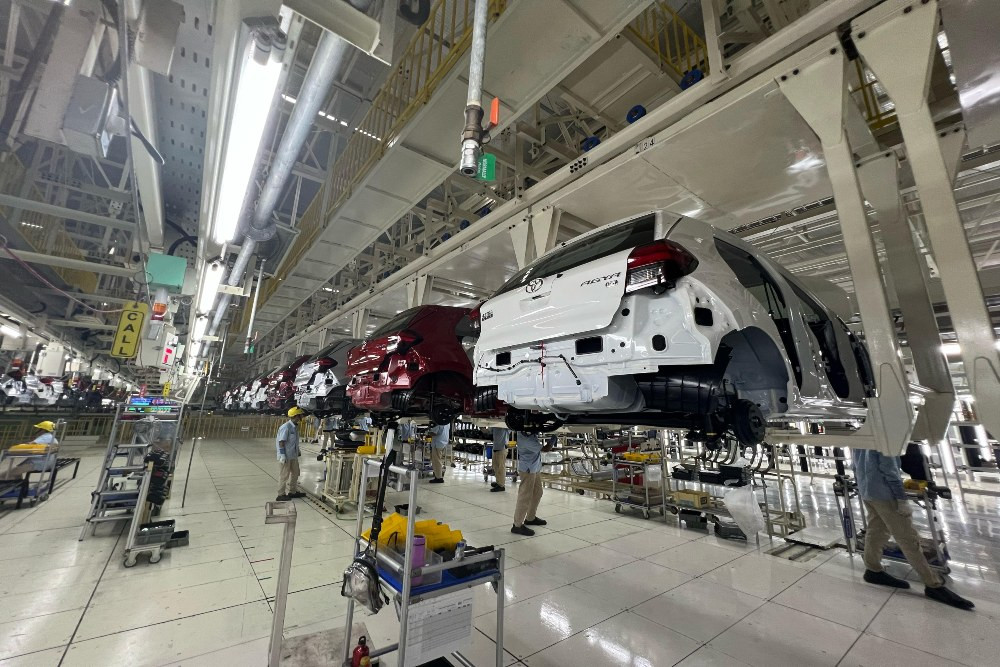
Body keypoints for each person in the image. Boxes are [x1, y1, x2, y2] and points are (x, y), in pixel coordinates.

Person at [853, 448, 974, 610]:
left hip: (868, 491)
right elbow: (890, 470)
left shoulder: (862, 439)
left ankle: (872, 569)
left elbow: (855, 466)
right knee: (908, 539)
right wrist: (901, 498)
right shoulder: (886, 440)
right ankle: (933, 584)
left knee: (876, 531)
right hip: (885, 495)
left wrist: (863, 487)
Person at [511, 431, 550, 535]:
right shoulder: (526, 439)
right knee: (525, 497)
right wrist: (554, 438)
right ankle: (517, 525)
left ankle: (530, 518)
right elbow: (546, 449)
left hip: (534, 467)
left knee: (538, 492)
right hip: (528, 469)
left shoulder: (530, 434)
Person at [276, 407, 306, 501]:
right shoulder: (286, 427)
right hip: (286, 456)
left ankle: (292, 492)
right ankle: (280, 494)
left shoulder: (295, 426)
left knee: (296, 473)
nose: (302, 416)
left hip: (293, 455)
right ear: (296, 416)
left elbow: (294, 441)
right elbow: (281, 442)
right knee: (284, 475)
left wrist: (298, 450)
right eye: (300, 415)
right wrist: (282, 455)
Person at [490, 427, 510, 492]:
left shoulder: (504, 425)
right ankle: (498, 482)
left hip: (502, 448)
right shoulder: (494, 425)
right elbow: (489, 431)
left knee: (501, 467)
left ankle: (501, 485)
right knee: (495, 467)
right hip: (495, 447)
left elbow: (511, 428)